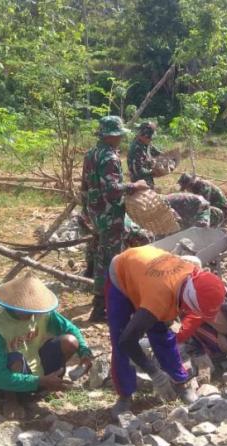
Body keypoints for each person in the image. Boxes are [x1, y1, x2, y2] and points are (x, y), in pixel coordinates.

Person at [105, 245, 226, 417]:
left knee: (161, 334)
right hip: (122, 273)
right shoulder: (160, 298)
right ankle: (125, 395)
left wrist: (182, 335)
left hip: (148, 274)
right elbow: (127, 341)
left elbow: (187, 322)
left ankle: (180, 381)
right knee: (119, 337)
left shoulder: (196, 279)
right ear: (190, 301)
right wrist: (154, 373)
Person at [0, 273, 92, 419]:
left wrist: (84, 352)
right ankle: (12, 400)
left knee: (70, 341)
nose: (32, 315)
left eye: (34, 310)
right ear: (13, 304)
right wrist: (40, 381)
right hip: (6, 383)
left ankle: (45, 388)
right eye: (27, 310)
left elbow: (70, 329)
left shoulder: (40, 313)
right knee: (15, 358)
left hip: (37, 369)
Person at [81, 116, 149, 323]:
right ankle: (102, 307)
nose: (120, 139)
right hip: (110, 215)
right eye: (118, 135)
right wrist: (135, 186)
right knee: (110, 260)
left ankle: (106, 299)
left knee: (104, 252)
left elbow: (84, 186)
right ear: (110, 136)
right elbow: (112, 190)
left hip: (96, 212)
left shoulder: (91, 153)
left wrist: (86, 211)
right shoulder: (110, 158)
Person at [127, 122, 162, 188]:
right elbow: (137, 171)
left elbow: (157, 153)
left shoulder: (146, 144)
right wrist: (153, 172)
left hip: (148, 179)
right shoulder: (136, 149)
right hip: (139, 183)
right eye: (149, 138)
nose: (151, 139)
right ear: (144, 136)